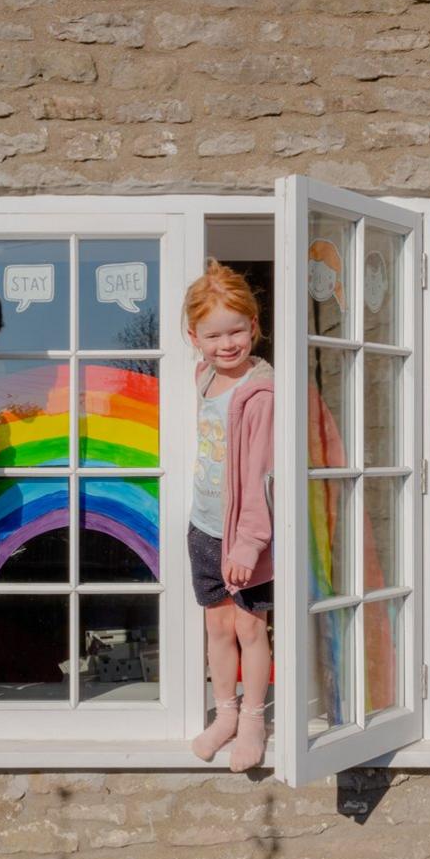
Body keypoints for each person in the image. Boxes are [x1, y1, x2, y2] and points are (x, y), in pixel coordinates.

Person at [185, 260, 274, 772]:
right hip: (203, 525)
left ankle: (255, 720)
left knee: (249, 628)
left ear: (255, 326)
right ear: (194, 336)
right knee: (216, 627)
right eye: (214, 334)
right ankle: (226, 714)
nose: (227, 343)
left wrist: (249, 545)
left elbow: (264, 477)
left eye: (237, 330)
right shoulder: (205, 377)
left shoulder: (258, 394)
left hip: (243, 537)